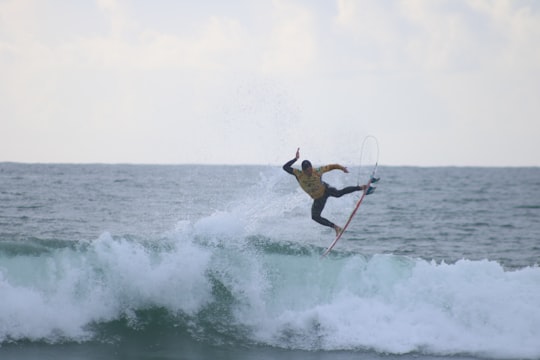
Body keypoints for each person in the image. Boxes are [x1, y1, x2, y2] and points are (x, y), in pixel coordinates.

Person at [283, 148, 377, 236]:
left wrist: (342, 168)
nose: (310, 172)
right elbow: (285, 167)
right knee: (315, 217)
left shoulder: (317, 171)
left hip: (325, 189)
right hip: (318, 198)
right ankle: (336, 227)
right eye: (308, 171)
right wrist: (295, 159)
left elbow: (332, 166)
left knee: (338, 193)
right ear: (303, 170)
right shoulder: (298, 173)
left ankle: (362, 187)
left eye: (311, 169)